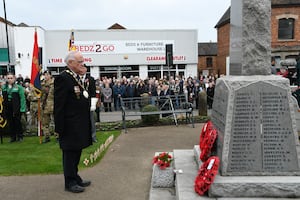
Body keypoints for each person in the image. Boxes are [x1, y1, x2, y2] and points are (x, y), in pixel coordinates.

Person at [54, 51, 92, 193]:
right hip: (69, 124)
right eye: (80, 62)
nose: (83, 64)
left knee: (77, 151)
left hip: (79, 123)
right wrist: (59, 127)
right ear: (70, 63)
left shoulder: (77, 77)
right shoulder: (63, 78)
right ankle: (69, 182)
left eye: (83, 61)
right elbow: (59, 105)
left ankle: (75, 177)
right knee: (70, 153)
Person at [1, 72, 26, 142]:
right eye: (8, 78)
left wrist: (22, 108)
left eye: (11, 78)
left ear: (14, 78)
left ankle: (20, 136)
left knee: (17, 122)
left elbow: (22, 98)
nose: (9, 80)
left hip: (16, 106)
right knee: (10, 122)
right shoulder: (4, 87)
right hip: (7, 106)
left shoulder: (18, 87)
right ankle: (12, 137)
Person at [41, 70, 56, 143]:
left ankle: (58, 136)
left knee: (56, 121)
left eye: (47, 75)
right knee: (45, 122)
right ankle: (47, 136)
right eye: (44, 75)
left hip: (53, 104)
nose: (46, 76)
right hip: (45, 105)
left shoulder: (55, 83)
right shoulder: (42, 84)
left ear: (50, 75)